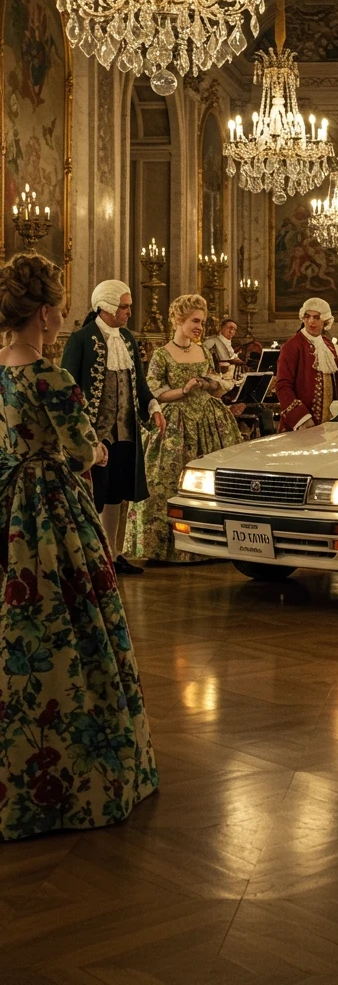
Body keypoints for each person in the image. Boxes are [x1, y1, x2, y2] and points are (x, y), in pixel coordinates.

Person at [0, 253, 158, 839]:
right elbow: (82, 444)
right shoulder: (51, 377)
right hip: (51, 512)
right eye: (60, 313)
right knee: (71, 620)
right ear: (43, 314)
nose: (63, 323)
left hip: (7, 504)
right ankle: (75, 765)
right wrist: (94, 452)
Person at [125, 294, 242, 564]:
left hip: (209, 421)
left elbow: (215, 385)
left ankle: (214, 545)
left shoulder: (204, 351)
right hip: (175, 423)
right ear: (179, 320)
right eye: (195, 321)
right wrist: (184, 389)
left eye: (203, 321)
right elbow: (153, 392)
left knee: (214, 481)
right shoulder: (162, 354)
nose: (200, 326)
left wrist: (211, 384)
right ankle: (165, 549)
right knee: (164, 482)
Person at [61, 279, 166, 577]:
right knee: (95, 494)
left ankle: (115, 554)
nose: (128, 312)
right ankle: (93, 555)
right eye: (124, 306)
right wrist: (79, 434)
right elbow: (69, 387)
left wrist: (153, 408)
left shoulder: (128, 340)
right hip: (94, 436)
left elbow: (140, 385)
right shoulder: (82, 339)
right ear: (105, 306)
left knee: (118, 494)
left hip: (126, 432)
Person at [276, 297, 338, 430]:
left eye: (316, 317)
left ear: (325, 321)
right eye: (307, 316)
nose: (311, 321)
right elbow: (283, 386)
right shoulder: (292, 346)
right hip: (304, 424)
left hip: (329, 424)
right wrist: (301, 418)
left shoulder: (328, 345)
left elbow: (336, 382)